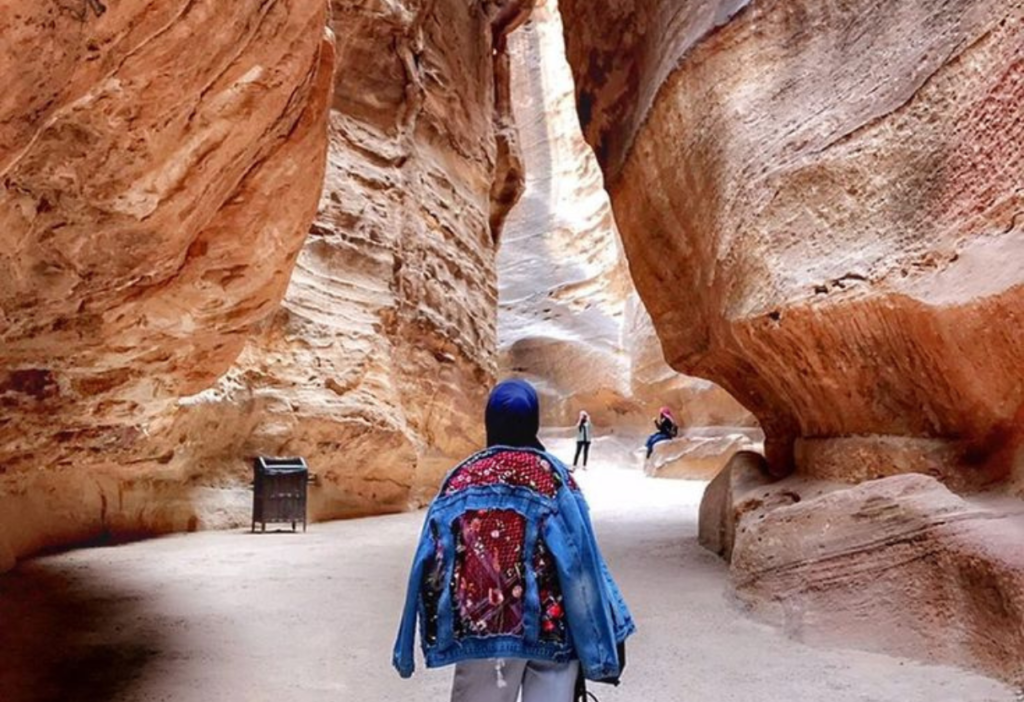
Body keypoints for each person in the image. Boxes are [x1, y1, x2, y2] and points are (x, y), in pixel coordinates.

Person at [393, 379, 634, 702]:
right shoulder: (553, 478)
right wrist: (599, 646)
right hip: (552, 627)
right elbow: (581, 562)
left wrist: (409, 643)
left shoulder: (461, 479)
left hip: (482, 628)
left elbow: (429, 559)